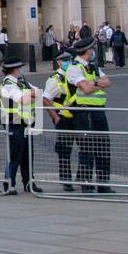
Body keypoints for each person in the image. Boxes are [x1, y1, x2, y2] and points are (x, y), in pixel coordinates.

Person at [66, 36, 112, 193]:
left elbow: (108, 81)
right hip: (83, 112)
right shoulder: (75, 68)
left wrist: (94, 83)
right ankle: (86, 182)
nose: (93, 51)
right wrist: (98, 83)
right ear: (87, 51)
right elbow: (86, 89)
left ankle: (103, 183)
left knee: (103, 147)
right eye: (92, 49)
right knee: (87, 148)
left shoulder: (93, 66)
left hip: (98, 111)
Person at [0, 51, 42, 194]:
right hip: (14, 123)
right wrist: (32, 94)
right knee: (15, 156)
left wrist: (31, 94)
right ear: (15, 69)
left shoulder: (21, 82)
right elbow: (23, 99)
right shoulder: (8, 85)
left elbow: (37, 92)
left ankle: (29, 183)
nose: (22, 70)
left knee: (27, 156)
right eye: (20, 68)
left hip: (27, 123)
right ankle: (9, 184)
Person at [42, 46, 78, 191]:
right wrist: (55, 117)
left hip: (78, 117)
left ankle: (83, 178)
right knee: (64, 151)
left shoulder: (74, 75)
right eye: (65, 60)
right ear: (58, 62)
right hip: (64, 119)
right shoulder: (54, 79)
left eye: (69, 59)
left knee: (86, 149)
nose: (68, 62)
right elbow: (45, 99)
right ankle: (66, 180)